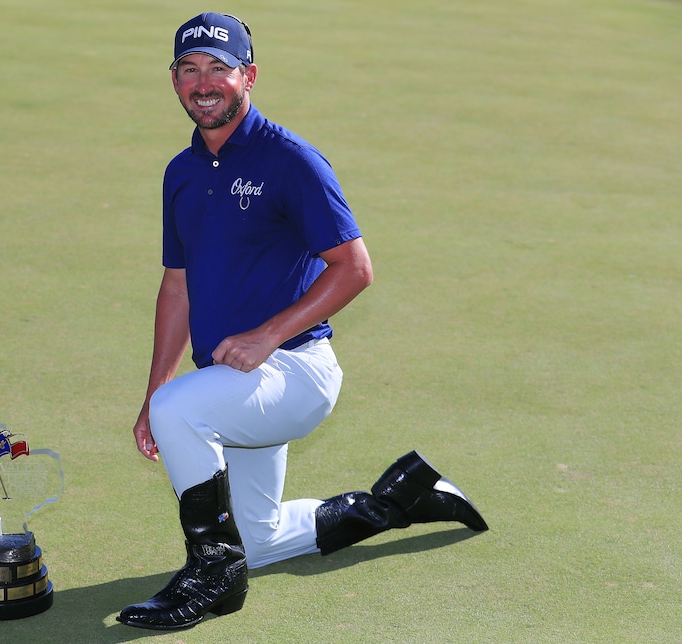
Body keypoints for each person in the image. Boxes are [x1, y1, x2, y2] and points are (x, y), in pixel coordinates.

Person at [117, 13, 489, 631]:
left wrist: (269, 335)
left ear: (249, 77)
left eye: (219, 68)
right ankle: (401, 498)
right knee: (258, 538)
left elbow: (354, 267)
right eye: (189, 70)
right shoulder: (180, 173)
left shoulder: (290, 159)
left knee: (182, 413)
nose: (203, 83)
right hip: (233, 385)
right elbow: (177, 284)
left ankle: (212, 573)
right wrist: (155, 386)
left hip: (293, 372)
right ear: (175, 82)